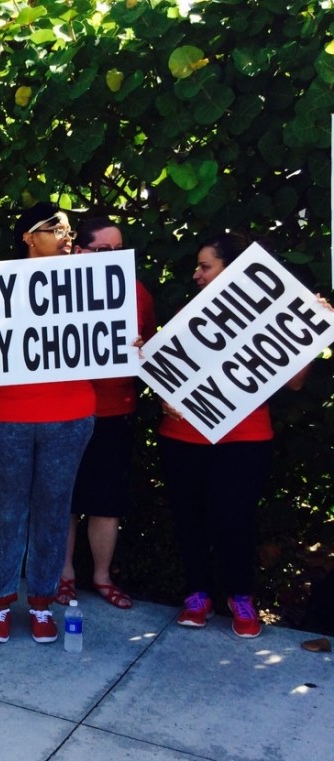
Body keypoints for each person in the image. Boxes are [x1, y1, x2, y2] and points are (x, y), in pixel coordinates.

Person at [158, 234, 315, 638]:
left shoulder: (271, 318)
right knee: (189, 519)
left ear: (235, 271)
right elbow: (165, 378)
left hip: (244, 438)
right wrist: (161, 393)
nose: (196, 275)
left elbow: (295, 382)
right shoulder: (186, 315)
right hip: (183, 438)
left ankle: (240, 596)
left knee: (235, 520)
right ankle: (197, 594)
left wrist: (311, 332)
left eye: (205, 266)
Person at [0, 202, 95, 644]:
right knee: (6, 508)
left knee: (54, 509)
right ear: (28, 237)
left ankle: (42, 602)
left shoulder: (90, 280)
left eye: (68, 228)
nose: (66, 234)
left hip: (70, 414)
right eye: (54, 227)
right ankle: (1, 601)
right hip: (2, 415)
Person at [56, 219, 156, 609]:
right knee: (64, 499)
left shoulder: (137, 292)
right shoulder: (52, 289)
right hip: (65, 409)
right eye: (104, 251)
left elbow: (149, 349)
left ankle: (101, 577)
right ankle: (63, 575)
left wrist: (142, 346)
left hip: (116, 410)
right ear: (79, 251)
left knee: (107, 501)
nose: (115, 258)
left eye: (120, 250)